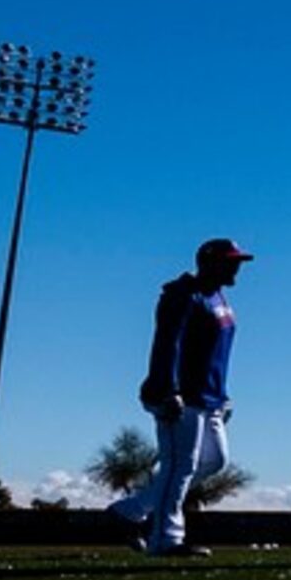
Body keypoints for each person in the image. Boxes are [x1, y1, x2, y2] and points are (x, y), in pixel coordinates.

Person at [111, 236, 250, 558]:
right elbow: (167, 344)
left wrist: (223, 395)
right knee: (179, 465)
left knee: (214, 461)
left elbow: (217, 353)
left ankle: (130, 511)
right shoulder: (182, 295)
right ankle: (166, 540)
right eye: (231, 262)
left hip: (211, 397)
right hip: (181, 397)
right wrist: (168, 390)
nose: (236, 269)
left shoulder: (219, 298)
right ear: (210, 262)